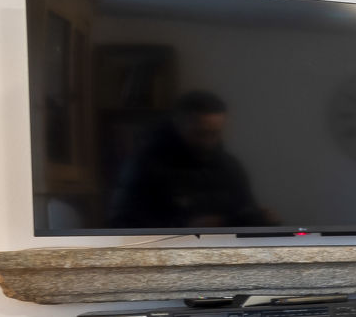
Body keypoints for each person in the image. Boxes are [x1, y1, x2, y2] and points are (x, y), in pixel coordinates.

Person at [108, 90, 274, 228]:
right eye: (199, 133)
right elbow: (120, 224)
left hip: (225, 256)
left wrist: (262, 221)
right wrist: (186, 227)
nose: (208, 141)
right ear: (177, 124)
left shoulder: (231, 166)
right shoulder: (143, 165)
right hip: (166, 258)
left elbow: (246, 212)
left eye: (215, 133)